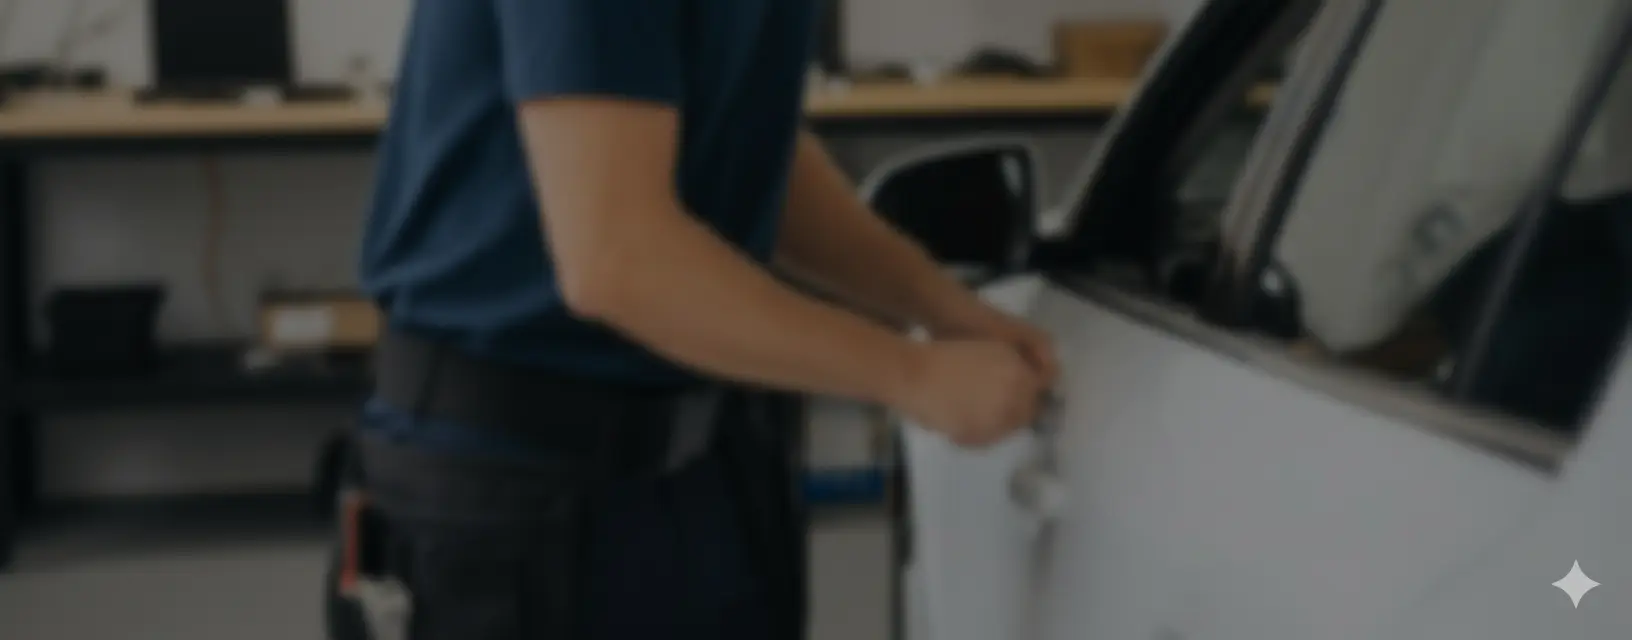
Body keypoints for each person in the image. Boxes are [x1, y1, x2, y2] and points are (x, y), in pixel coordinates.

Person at [332, 0, 1061, 638]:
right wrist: (910, 374)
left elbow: (745, 150)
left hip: (696, 470)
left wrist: (945, 308)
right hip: (512, 486)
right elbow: (618, 260)